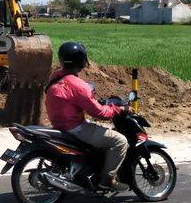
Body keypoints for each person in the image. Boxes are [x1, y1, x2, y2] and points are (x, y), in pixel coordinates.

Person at [45, 41, 130, 192]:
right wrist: (118, 109)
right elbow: (100, 113)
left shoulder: (55, 77)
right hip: (75, 128)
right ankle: (107, 180)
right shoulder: (78, 85)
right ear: (81, 62)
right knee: (120, 141)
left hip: (59, 126)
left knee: (101, 135)